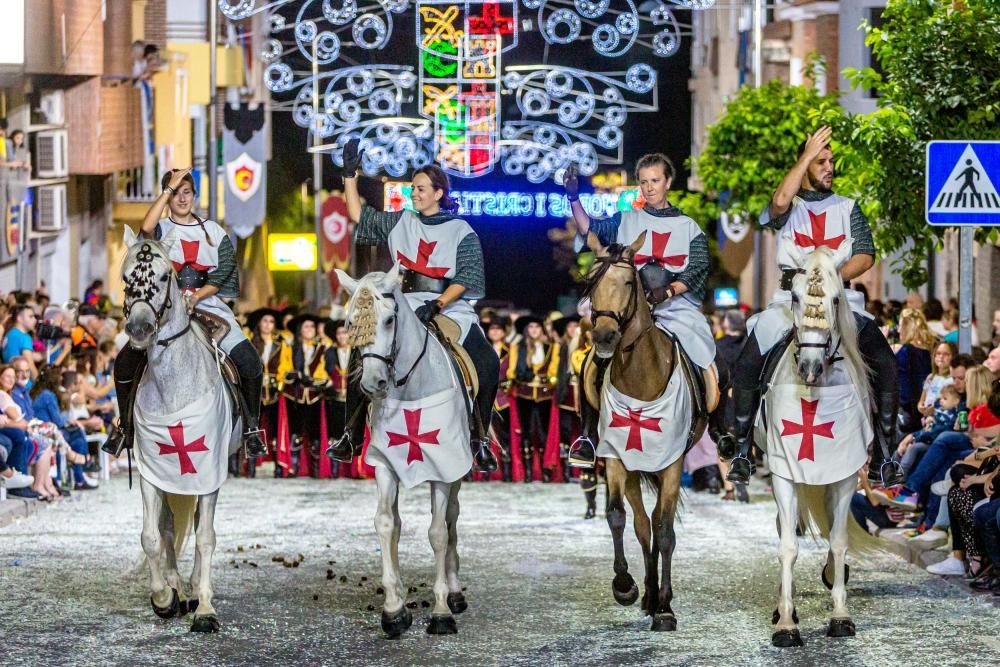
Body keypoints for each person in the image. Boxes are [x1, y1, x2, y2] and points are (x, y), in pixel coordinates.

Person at [727, 126, 899, 485]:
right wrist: (806, 155)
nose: (829, 167)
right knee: (747, 361)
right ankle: (742, 449)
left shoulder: (849, 208)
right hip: (790, 302)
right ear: (804, 164)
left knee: (885, 362)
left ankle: (886, 453)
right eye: (821, 161)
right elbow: (777, 203)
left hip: (841, 302)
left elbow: (865, 255)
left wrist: (829, 276)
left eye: (831, 161)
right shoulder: (790, 208)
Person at [331, 139, 499, 473]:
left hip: (449, 306)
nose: (414, 193)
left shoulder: (460, 230)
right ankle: (350, 433)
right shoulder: (400, 222)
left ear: (439, 193)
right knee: (364, 350)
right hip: (403, 302)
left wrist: (437, 304)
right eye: (413, 188)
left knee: (488, 360)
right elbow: (358, 216)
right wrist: (350, 175)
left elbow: (466, 277)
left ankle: (479, 437)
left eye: (421, 189)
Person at [564, 153, 716, 466]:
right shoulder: (626, 219)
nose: (649, 188)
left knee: (706, 353)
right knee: (593, 360)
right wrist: (573, 197)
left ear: (668, 182)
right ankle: (588, 435)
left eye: (655, 181)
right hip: (629, 306)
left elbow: (699, 267)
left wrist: (669, 290)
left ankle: (720, 425)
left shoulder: (688, 226)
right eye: (644, 182)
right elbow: (589, 228)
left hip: (676, 307)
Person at [103, 168, 266, 458]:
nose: (181, 198)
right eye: (175, 193)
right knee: (125, 361)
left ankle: (252, 427)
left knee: (250, 362)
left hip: (209, 307)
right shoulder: (162, 230)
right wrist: (166, 190)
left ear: (194, 195)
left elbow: (224, 271)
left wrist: (197, 297)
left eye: (186, 192)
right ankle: (125, 428)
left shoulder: (214, 232)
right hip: (164, 309)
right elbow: (146, 228)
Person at [278, 314, 334, 477]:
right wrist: (296, 377)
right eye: (306, 326)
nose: (310, 329)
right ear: (300, 330)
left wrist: (307, 379)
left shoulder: (323, 347)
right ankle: (293, 467)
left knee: (315, 435)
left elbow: (323, 374)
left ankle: (316, 469)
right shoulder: (290, 347)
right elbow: (285, 371)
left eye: (312, 326)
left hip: (315, 397)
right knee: (294, 433)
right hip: (294, 396)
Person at [508, 315, 559, 483]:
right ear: (526, 330)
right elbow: (512, 371)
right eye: (531, 327)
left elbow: (553, 370)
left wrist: (548, 379)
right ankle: (528, 472)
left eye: (537, 327)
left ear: (542, 329)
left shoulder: (551, 347)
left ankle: (546, 472)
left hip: (544, 395)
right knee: (527, 432)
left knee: (544, 433)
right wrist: (522, 375)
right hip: (525, 393)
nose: (534, 330)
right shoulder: (518, 347)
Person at [246, 308, 285, 463]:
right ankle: (251, 466)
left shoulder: (281, 345)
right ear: (259, 323)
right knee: (253, 427)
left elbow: (285, 366)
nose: (268, 325)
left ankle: (278, 465)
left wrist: (280, 382)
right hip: (255, 392)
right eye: (265, 321)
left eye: (271, 322)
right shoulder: (250, 343)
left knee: (276, 429)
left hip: (275, 393)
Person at [895, 308, 937, 432]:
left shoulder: (905, 351)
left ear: (907, 326)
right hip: (928, 407)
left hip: (908, 409)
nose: (898, 330)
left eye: (900, 325)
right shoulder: (932, 348)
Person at [2, 304, 40, 376]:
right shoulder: (24, 337)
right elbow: (30, 366)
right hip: (24, 382)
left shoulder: (9, 334)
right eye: (30, 316)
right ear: (19, 318)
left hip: (11, 379)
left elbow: (36, 356)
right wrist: (39, 386)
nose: (35, 320)